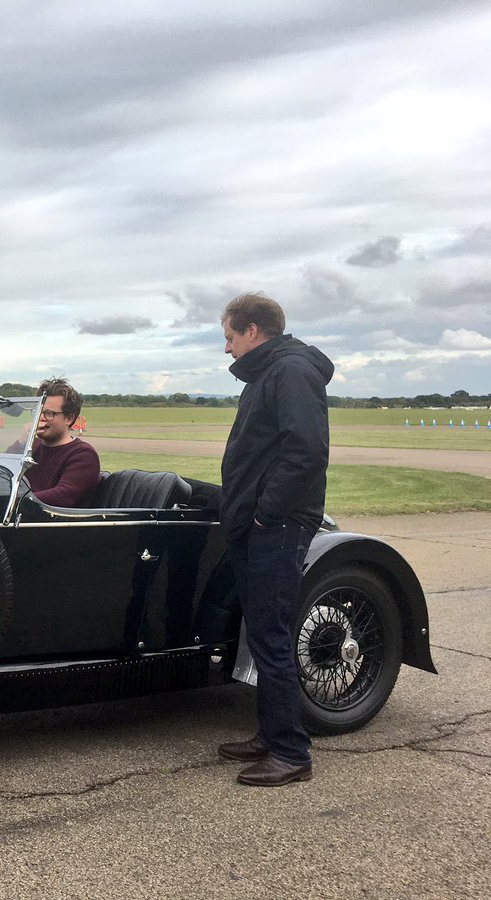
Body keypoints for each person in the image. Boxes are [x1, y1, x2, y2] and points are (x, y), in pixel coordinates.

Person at [217, 293, 333, 787]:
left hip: (278, 526)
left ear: (253, 330)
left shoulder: (290, 371)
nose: (227, 350)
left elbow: (306, 450)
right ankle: (272, 732)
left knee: (272, 633)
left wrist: (268, 514)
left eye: (229, 337)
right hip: (257, 523)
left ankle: (291, 752)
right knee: (261, 629)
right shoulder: (268, 372)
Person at [7, 377, 101, 507]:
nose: (40, 418)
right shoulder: (32, 446)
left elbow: (63, 496)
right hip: (24, 518)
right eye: (38, 412)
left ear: (69, 418)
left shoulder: (83, 455)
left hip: (57, 524)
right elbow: (2, 474)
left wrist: (11, 499)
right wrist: (21, 441)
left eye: (49, 413)